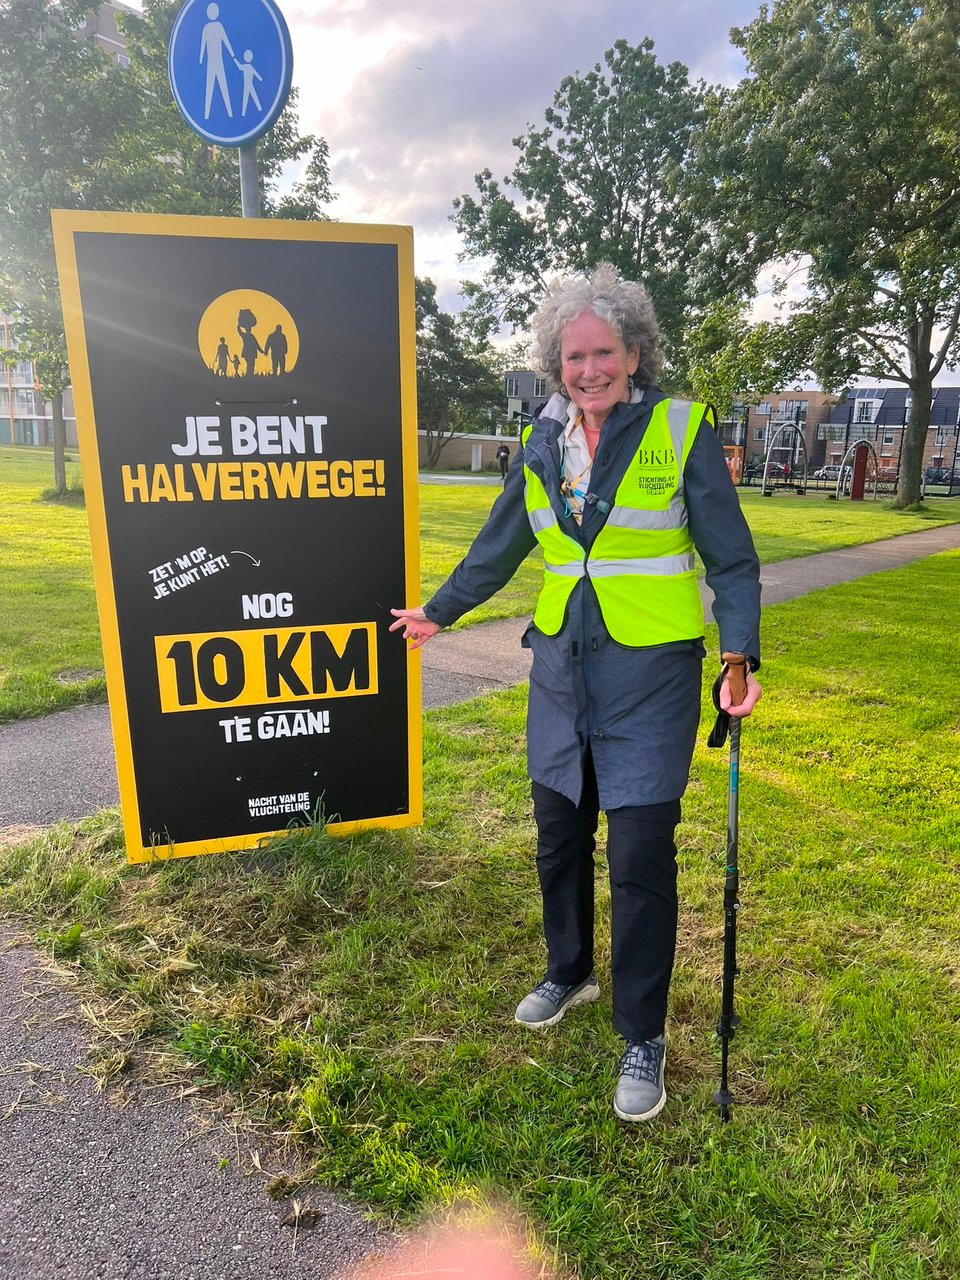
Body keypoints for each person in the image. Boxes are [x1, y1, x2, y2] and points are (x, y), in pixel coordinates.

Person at [390, 264, 761, 1123]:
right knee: (557, 836)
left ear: (634, 353)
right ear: (556, 365)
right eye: (572, 358)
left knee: (637, 857)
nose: (587, 371)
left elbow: (732, 559)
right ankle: (569, 971)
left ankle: (643, 1033)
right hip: (561, 671)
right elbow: (502, 541)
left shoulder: (679, 427)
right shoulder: (544, 439)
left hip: (650, 678)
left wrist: (736, 655)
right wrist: (440, 612)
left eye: (602, 354)